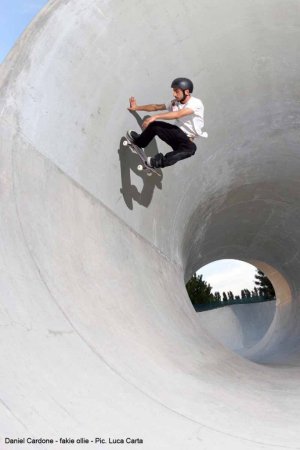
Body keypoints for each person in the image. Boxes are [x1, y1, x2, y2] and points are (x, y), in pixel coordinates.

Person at [127, 78, 207, 169]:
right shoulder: (174, 103)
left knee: (191, 149)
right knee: (155, 126)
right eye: (173, 91)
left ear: (187, 92)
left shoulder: (195, 103)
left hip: (185, 141)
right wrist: (136, 107)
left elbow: (178, 114)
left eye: (177, 91)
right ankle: (139, 142)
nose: (174, 94)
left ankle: (157, 162)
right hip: (175, 134)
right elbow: (156, 107)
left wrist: (155, 116)